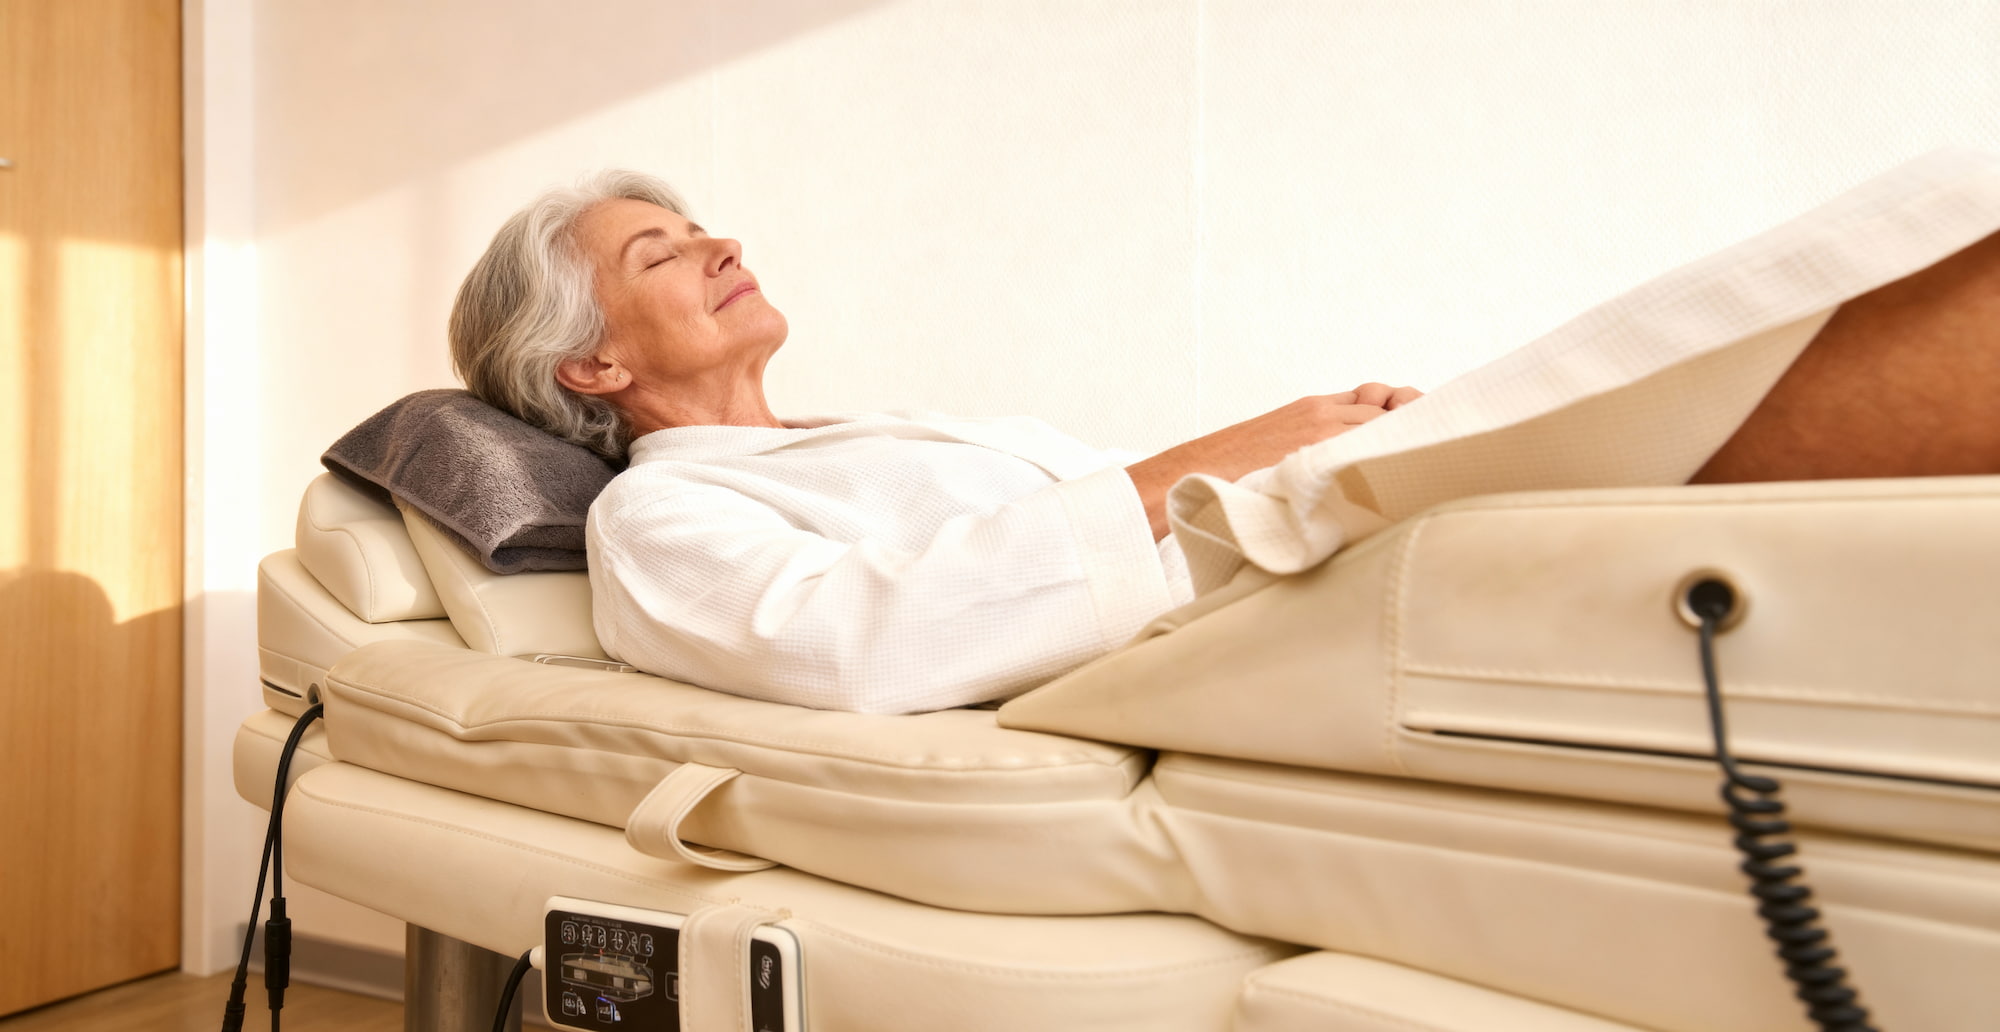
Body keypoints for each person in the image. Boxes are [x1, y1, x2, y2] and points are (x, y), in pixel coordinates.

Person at [450, 171, 2000, 714]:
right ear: (588, 362)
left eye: (705, 224)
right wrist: (1252, 444)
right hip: (1230, 625)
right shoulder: (657, 525)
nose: (717, 243)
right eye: (662, 255)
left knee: (1765, 337)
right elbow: (863, 647)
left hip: (1260, 569)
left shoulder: (882, 434)